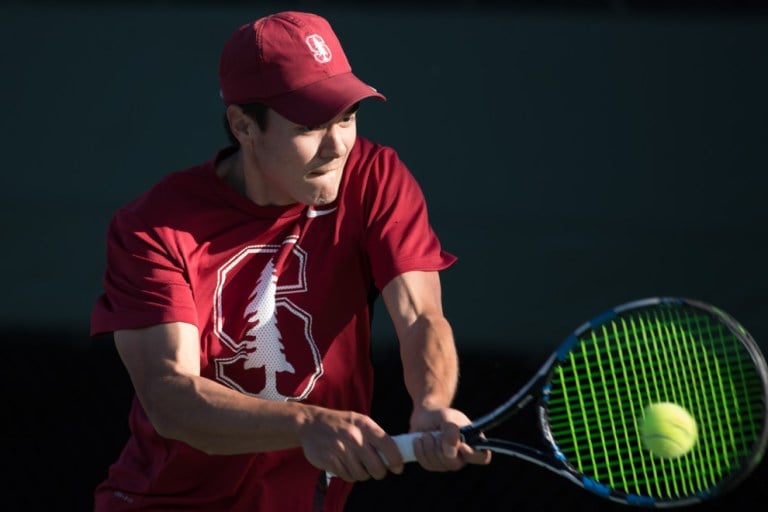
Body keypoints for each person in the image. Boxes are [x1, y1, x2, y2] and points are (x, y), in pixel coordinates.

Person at [90, 10, 490, 512]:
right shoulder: (153, 227)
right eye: (311, 125)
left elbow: (420, 317)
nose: (337, 144)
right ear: (243, 125)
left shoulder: (376, 177)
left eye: (346, 117)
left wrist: (431, 405)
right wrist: (307, 423)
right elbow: (170, 397)